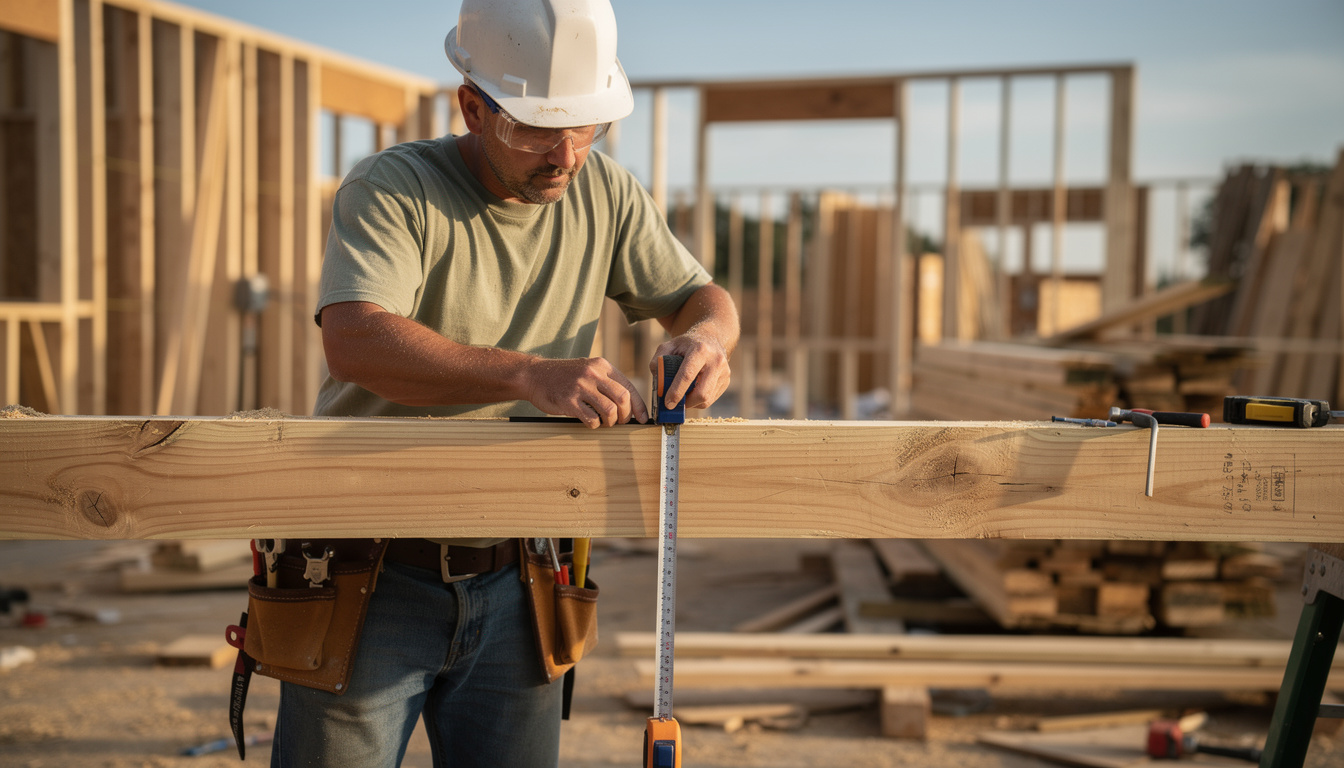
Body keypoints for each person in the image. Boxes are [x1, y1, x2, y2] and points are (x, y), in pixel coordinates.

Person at [267, 0, 739, 766]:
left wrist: (706, 339)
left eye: (584, 128)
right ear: (472, 107)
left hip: (524, 572)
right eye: (533, 130)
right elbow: (353, 339)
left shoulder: (605, 195)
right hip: (369, 571)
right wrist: (527, 374)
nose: (564, 157)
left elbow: (702, 298)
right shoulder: (396, 188)